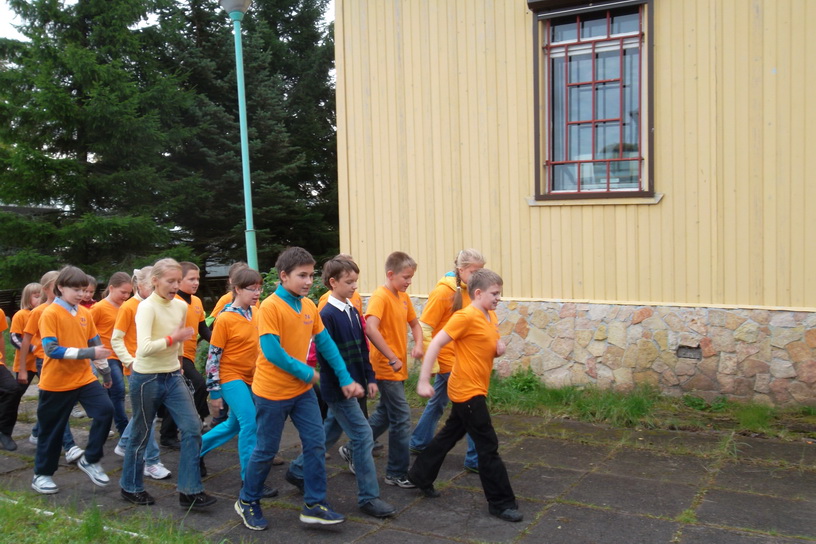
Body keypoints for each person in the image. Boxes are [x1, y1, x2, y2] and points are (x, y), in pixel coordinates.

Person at [235, 247, 363, 531]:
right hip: (271, 393)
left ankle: (314, 504)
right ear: (283, 276)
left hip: (302, 391)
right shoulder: (270, 307)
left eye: (311, 275)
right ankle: (247, 500)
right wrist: (308, 373)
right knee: (266, 450)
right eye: (302, 275)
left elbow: (325, 343)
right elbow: (272, 352)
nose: (308, 281)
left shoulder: (308, 306)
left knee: (315, 445)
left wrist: (344, 377)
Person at [408, 269, 522, 523]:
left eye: (499, 293)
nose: (499, 298)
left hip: (476, 387)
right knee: (488, 445)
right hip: (466, 390)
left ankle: (420, 475)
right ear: (478, 293)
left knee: (450, 434)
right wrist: (424, 380)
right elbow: (436, 342)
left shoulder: (489, 315)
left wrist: (498, 349)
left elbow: (485, 344)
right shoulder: (465, 316)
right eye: (494, 293)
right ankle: (501, 502)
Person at [287, 257, 396, 519]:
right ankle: (369, 497)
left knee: (329, 433)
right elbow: (327, 356)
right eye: (349, 282)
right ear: (333, 282)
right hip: (339, 389)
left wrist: (370, 378)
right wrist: (344, 383)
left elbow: (362, 349)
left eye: (356, 281)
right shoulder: (326, 315)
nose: (354, 286)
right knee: (363, 436)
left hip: (354, 384)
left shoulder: (352, 310)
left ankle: (297, 470)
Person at [119, 258, 216, 509]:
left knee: (193, 427)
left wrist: (180, 362)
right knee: (141, 434)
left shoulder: (181, 306)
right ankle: (130, 487)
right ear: (155, 281)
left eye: (177, 281)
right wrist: (174, 338)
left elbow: (180, 344)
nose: (175, 286)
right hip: (146, 377)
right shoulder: (146, 307)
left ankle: (190, 490)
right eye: (170, 281)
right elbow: (144, 348)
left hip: (172, 375)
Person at [32, 266, 114, 494]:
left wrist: (106, 372)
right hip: (56, 383)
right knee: (51, 430)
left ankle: (91, 459)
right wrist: (88, 353)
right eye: (75, 289)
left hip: (85, 379)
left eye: (83, 290)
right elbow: (51, 350)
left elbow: (95, 344)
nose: (80, 294)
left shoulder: (85, 314)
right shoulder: (50, 313)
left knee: (106, 411)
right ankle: (42, 475)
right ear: (60, 287)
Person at [200, 267, 277, 497]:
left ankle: (194, 450)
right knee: (250, 423)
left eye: (259, 288)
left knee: (234, 425)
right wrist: (214, 392)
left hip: (252, 377)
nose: (257, 293)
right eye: (252, 289)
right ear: (237, 289)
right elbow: (213, 357)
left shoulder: (257, 313)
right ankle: (250, 481)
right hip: (230, 376)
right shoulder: (225, 318)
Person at [409, 249, 486, 472]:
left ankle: (418, 442)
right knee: (472, 406)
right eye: (474, 271)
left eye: (481, 271)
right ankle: (476, 459)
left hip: (462, 359)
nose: (479, 276)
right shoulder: (443, 292)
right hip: (449, 360)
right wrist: (432, 365)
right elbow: (425, 328)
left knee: (439, 402)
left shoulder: (472, 290)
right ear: (461, 269)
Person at [364, 251, 424, 488]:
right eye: (406, 277)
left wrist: (418, 344)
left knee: (386, 413)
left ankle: (353, 447)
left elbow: (415, 324)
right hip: (385, 366)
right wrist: (391, 356)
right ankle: (396, 472)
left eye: (411, 278)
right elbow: (370, 328)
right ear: (391, 274)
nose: (409, 282)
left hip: (398, 366)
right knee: (401, 417)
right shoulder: (380, 297)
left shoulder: (403, 297)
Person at [111, 267, 171, 480]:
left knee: (145, 415)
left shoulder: (159, 305)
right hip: (137, 369)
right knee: (149, 417)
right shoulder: (129, 307)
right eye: (152, 287)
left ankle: (125, 442)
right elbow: (116, 339)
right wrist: (130, 362)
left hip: (157, 366)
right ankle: (151, 461)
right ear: (140, 285)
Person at [19, 271, 83, 463]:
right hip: (45, 362)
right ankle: (69, 446)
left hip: (67, 362)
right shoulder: (40, 311)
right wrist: (22, 368)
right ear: (47, 289)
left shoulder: (73, 310)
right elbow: (26, 340)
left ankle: (36, 431)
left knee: (50, 403)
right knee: (58, 403)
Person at [159, 262, 210, 450]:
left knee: (180, 394)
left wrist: (221, 342)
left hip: (188, 355)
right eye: (191, 279)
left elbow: (203, 329)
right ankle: (185, 426)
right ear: (179, 281)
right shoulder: (172, 301)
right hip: (174, 355)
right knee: (198, 385)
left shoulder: (196, 301)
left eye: (198, 279)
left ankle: (173, 432)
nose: (196, 282)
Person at [89, 272, 133, 437]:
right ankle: (124, 429)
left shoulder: (126, 307)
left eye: (129, 293)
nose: (126, 296)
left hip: (124, 353)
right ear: (111, 288)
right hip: (107, 355)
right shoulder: (98, 308)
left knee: (111, 391)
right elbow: (87, 331)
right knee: (119, 389)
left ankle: (102, 417)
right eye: (123, 292)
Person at [1, 283, 41, 451]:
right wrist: (33, 348)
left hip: (43, 362)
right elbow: (14, 338)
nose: (40, 299)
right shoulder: (21, 315)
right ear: (27, 298)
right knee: (15, 394)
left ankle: (36, 432)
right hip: (26, 363)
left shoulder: (46, 312)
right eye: (36, 296)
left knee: (50, 395)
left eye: (42, 296)